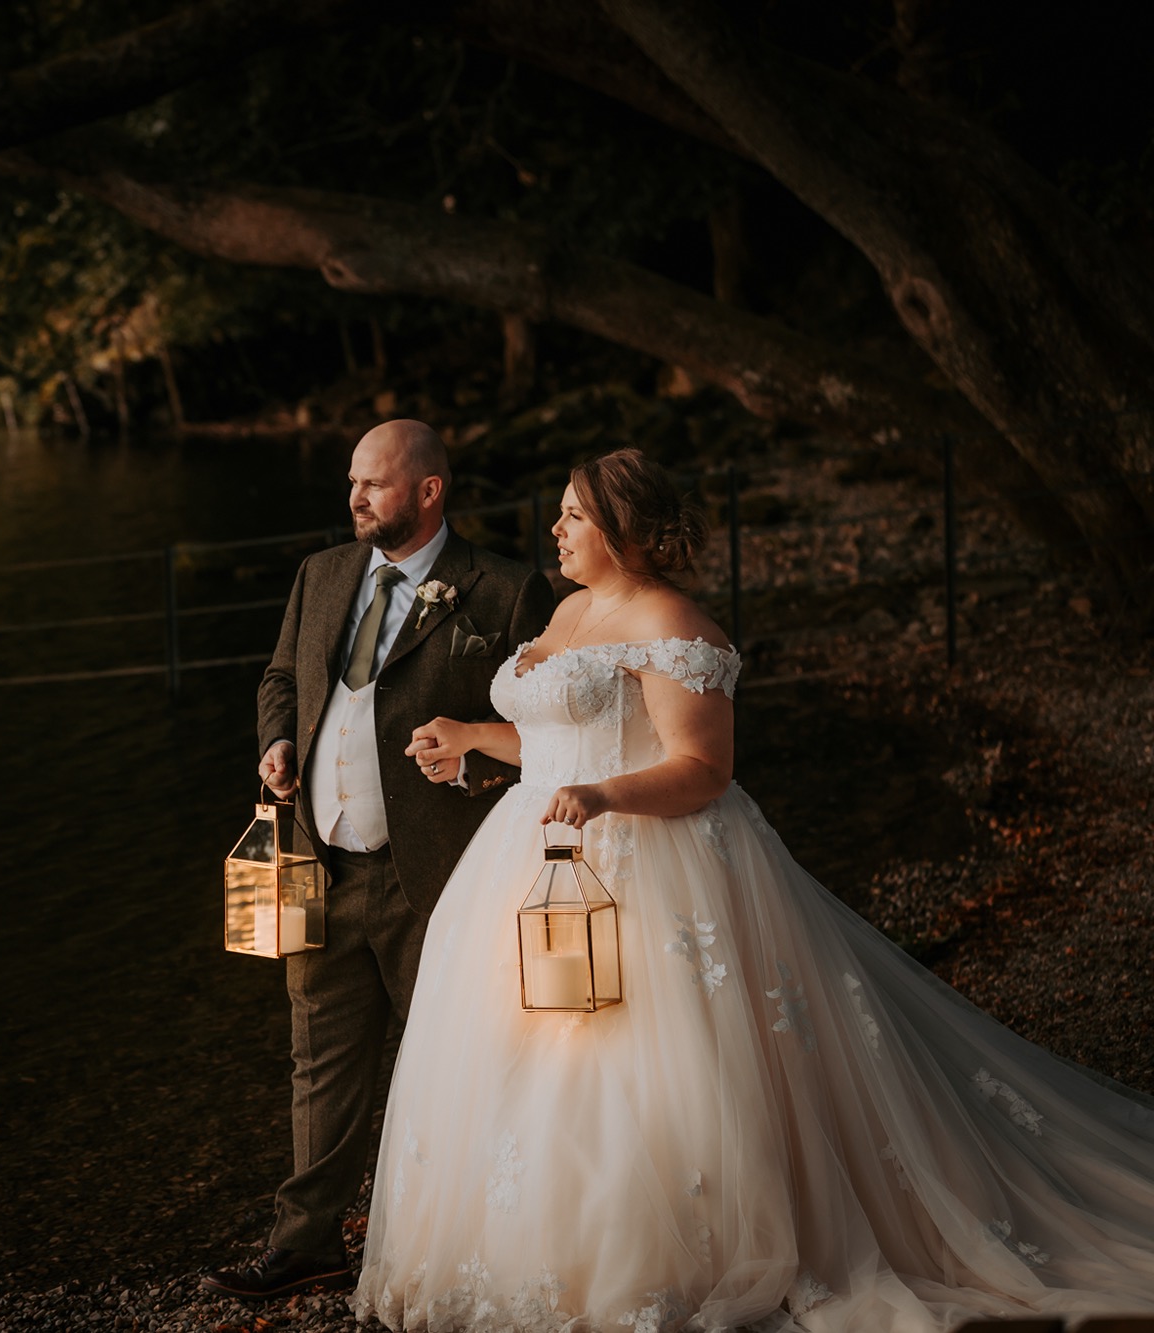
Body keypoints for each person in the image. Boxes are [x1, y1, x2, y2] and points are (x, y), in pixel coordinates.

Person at [356, 447, 1154, 1332]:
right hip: (534, 855)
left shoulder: (678, 628)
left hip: (643, 861)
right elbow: (554, 740)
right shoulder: (575, 608)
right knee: (528, 1056)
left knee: (638, 1062)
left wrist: (601, 797)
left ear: (624, 530)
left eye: (574, 517)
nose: (556, 529)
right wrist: (474, 735)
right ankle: (524, 1252)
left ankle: (653, 1259)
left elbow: (703, 769)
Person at [202, 419, 555, 1302]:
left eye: (376, 484)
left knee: (462, 1058)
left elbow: (547, 732)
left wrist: (472, 756)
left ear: (429, 491)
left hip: (438, 876)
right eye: (352, 482)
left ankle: (479, 1239)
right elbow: (280, 678)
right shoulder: (320, 575)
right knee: (318, 1064)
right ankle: (306, 1243)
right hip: (321, 867)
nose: (356, 497)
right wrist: (276, 742)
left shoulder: (506, 591)